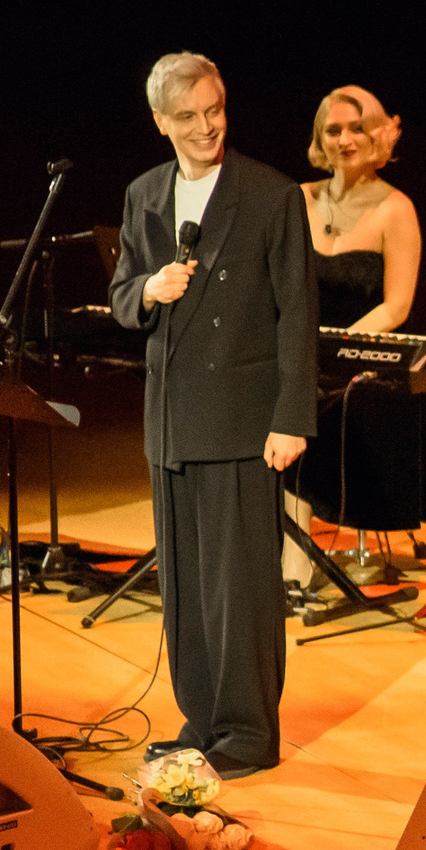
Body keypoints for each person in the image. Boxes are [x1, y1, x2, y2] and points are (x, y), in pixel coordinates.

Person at [107, 53, 315, 776]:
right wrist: (148, 291)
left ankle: (250, 734)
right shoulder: (144, 194)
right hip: (171, 420)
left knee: (241, 588)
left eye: (214, 111)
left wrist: (292, 416)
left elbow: (297, 315)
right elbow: (120, 293)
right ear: (161, 122)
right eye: (189, 117)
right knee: (189, 586)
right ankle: (202, 721)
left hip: (240, 419)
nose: (206, 127)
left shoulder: (269, 195)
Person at [284, 86, 426, 566]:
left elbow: (397, 307)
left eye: (356, 128)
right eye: (333, 129)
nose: (344, 139)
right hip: (305, 353)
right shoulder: (297, 200)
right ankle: (278, 558)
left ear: (378, 135)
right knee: (271, 396)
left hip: (368, 360)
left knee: (308, 403)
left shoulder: (396, 208)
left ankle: (295, 572)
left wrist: (333, 352)